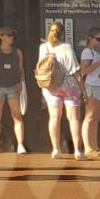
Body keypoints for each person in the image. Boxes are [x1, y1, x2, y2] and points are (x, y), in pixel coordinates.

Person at [36, 20, 83, 161]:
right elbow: (75, 70)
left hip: (51, 86)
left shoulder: (43, 47)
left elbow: (41, 67)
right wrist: (83, 91)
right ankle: (77, 151)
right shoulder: (66, 47)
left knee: (54, 117)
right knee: (73, 118)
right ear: (62, 34)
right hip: (68, 85)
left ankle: (56, 149)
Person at [0, 27, 26, 154]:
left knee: (17, 115)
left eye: (12, 35)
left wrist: (21, 83)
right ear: (1, 37)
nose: (11, 37)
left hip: (13, 86)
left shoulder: (17, 52)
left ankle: (20, 144)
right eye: (8, 35)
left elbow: (21, 70)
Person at [80, 26, 100, 160]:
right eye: (98, 39)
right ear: (90, 38)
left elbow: (93, 71)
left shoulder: (96, 53)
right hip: (91, 86)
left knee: (96, 118)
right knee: (90, 116)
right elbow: (84, 70)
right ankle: (88, 148)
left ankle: (95, 146)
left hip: (99, 85)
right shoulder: (87, 52)